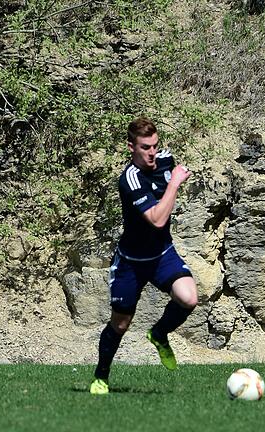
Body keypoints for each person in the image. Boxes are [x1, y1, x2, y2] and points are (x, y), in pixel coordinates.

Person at [90, 117, 197, 394]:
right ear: (131, 147)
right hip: (131, 263)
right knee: (121, 323)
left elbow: (166, 199)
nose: (152, 153)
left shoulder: (164, 160)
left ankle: (159, 333)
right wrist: (174, 184)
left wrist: (171, 179)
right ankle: (101, 376)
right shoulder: (129, 179)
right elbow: (157, 219)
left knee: (189, 298)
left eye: (155, 146)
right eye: (145, 147)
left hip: (162, 254)